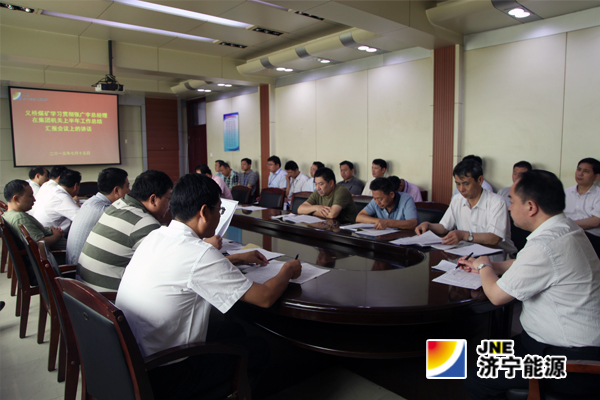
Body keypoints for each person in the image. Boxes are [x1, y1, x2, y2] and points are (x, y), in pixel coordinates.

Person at [115, 173, 301, 400]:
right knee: (259, 347)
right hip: (170, 373)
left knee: (234, 331)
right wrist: (287, 269)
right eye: (219, 210)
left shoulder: (156, 236)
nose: (219, 216)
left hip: (135, 361)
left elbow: (190, 269)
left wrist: (238, 258)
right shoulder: (200, 253)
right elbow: (265, 297)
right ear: (204, 212)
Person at [461, 170, 600, 399]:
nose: (509, 208)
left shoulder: (544, 244)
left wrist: (484, 265)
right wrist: (491, 266)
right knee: (481, 350)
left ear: (531, 207)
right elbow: (528, 264)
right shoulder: (565, 228)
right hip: (552, 344)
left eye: (512, 202)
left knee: (475, 376)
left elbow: (496, 295)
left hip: (567, 360)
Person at [77, 170, 173, 292]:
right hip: (106, 298)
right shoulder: (145, 223)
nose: (169, 205)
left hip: (84, 292)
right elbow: (163, 268)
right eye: (168, 198)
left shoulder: (117, 205)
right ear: (153, 199)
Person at [415, 159, 515, 252]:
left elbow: (494, 238)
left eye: (466, 183)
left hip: (498, 256)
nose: (461, 189)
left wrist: (464, 235)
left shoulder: (497, 202)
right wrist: (428, 225)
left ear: (480, 180)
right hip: (468, 253)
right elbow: (444, 227)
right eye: (458, 184)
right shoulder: (457, 200)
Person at [66, 168, 130, 265]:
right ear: (117, 190)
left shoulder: (90, 201)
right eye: (127, 187)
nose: (129, 191)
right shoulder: (106, 211)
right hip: (80, 268)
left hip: (75, 264)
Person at [3, 179, 65, 250]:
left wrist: (52, 231)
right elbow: (40, 244)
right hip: (61, 253)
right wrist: (56, 235)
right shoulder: (20, 218)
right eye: (30, 196)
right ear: (16, 199)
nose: (34, 199)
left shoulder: (8, 215)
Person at [564, 157, 600, 256]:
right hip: (566, 235)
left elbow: (596, 221)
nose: (580, 174)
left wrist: (567, 224)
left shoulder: (598, 195)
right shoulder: (564, 193)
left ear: (596, 176)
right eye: (579, 169)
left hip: (591, 238)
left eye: (586, 171)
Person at [33, 168, 81, 233]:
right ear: (75, 186)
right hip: (47, 235)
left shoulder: (55, 190)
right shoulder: (61, 198)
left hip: (41, 231)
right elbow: (82, 218)